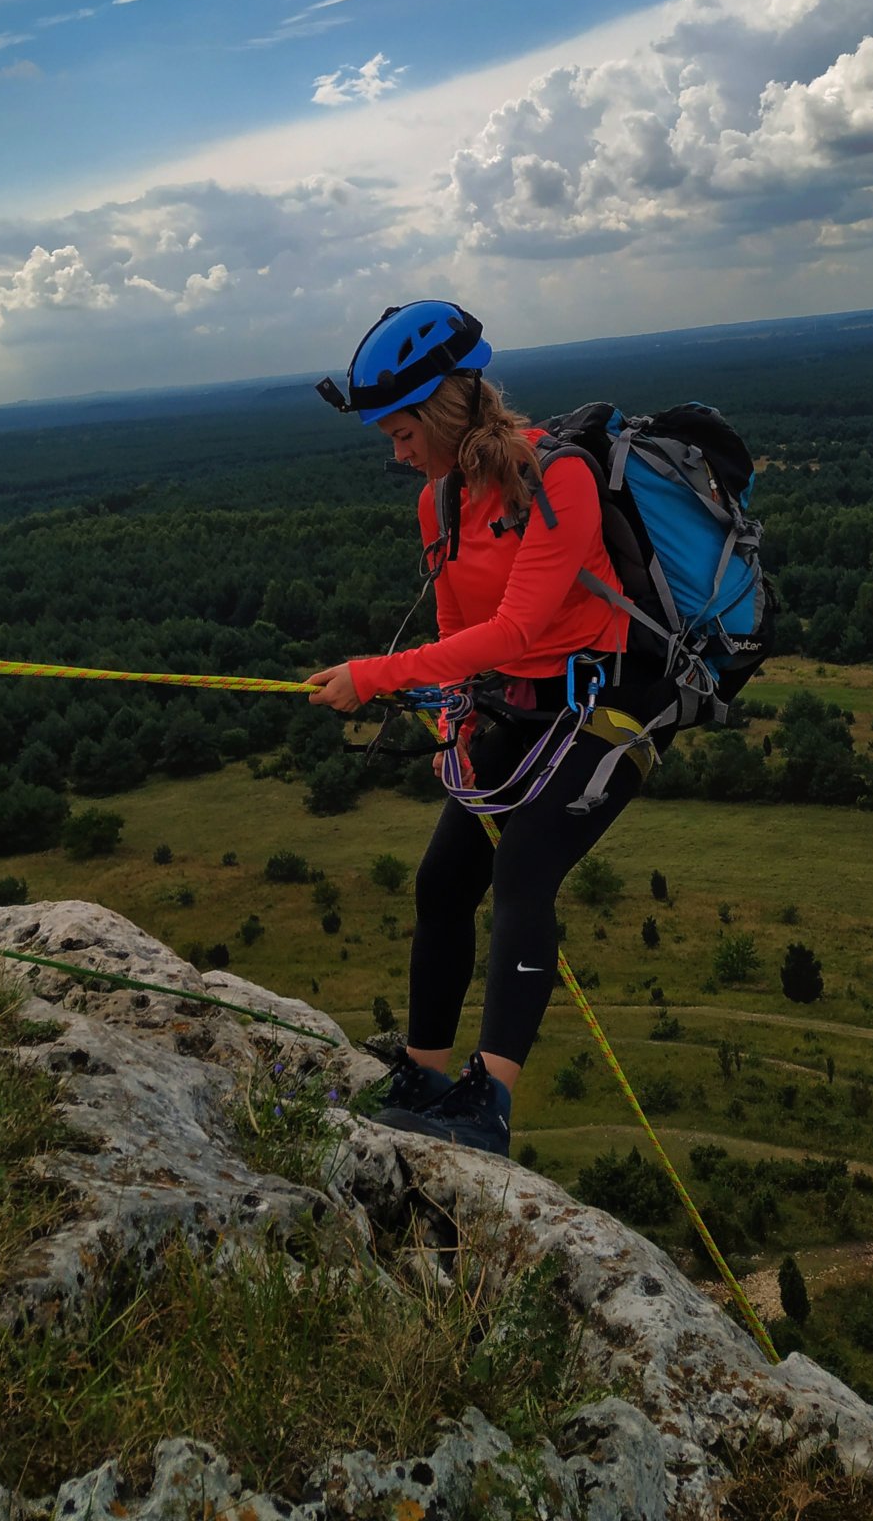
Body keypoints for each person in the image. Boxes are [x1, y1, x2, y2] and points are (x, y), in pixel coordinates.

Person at [306, 300, 679, 1158]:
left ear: (442, 411)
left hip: (605, 710)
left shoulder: (559, 480)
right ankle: (424, 1073)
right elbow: (457, 639)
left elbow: (515, 628)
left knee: (521, 872)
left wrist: (374, 676)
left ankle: (489, 1106)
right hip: (510, 707)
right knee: (442, 883)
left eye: (403, 435)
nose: (398, 456)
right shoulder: (440, 506)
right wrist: (453, 716)